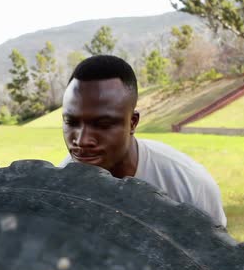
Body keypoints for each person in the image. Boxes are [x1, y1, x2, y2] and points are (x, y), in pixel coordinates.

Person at [59, 55, 227, 227]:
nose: (81, 140)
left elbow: (214, 251)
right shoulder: (59, 185)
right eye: (71, 123)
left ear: (132, 122)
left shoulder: (190, 186)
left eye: (102, 124)